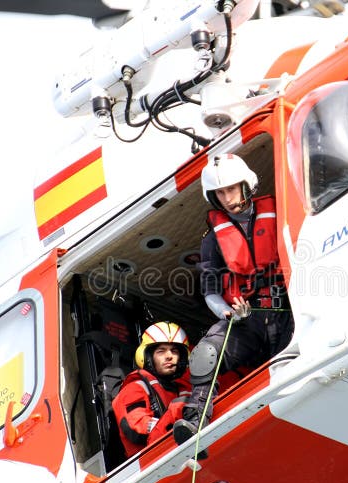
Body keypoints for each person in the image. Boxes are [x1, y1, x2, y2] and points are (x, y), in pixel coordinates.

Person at [173, 153, 294, 445]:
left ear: (245, 185)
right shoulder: (212, 239)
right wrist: (228, 314)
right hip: (246, 320)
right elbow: (210, 291)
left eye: (231, 188)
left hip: (288, 311)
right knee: (206, 353)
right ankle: (195, 420)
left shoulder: (281, 212)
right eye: (220, 192)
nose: (227, 197)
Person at [112, 321, 191, 457]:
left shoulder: (183, 389)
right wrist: (177, 412)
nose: (169, 356)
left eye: (174, 351)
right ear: (148, 357)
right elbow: (135, 428)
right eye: (161, 351)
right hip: (149, 462)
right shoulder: (134, 388)